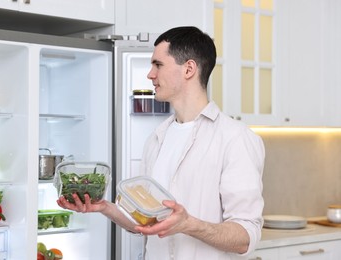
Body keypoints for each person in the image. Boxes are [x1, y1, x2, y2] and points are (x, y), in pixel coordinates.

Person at [57, 26, 265, 260]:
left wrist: (188, 224)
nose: (150, 74)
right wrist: (104, 207)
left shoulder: (235, 138)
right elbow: (144, 221)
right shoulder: (157, 138)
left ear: (188, 69)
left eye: (158, 65)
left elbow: (246, 236)